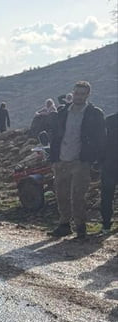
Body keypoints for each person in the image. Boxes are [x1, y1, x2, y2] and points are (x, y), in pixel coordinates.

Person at [48, 80, 105, 240]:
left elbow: (101, 138)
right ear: (72, 93)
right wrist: (54, 158)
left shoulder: (95, 114)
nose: (78, 97)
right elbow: (56, 135)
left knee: (78, 195)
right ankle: (64, 224)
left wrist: (95, 160)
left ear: (88, 95)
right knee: (61, 194)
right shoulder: (63, 112)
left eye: (82, 94)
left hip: (81, 161)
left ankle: (81, 227)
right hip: (61, 159)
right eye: (76, 93)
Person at [100, 112, 117, 233]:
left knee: (107, 196)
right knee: (107, 195)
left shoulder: (109, 120)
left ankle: (106, 224)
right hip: (109, 164)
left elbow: (102, 143)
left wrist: (100, 162)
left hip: (109, 164)